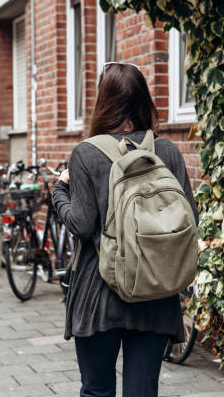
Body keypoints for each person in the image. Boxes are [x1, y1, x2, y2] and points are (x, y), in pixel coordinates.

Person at [52, 62, 198, 397]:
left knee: (97, 390)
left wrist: (60, 191)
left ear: (103, 101)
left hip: (100, 294)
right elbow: (191, 220)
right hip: (156, 292)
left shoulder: (86, 154)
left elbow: (82, 224)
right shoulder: (167, 151)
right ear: (144, 100)